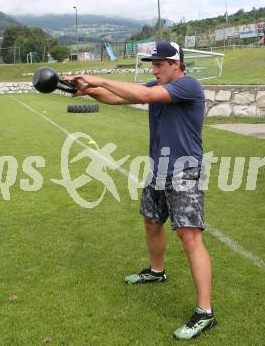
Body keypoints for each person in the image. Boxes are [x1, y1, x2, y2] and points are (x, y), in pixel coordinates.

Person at [63, 41, 217, 340]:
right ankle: (156, 271)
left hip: (185, 171)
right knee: (151, 221)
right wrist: (86, 89)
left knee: (189, 236)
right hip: (158, 168)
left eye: (160, 64)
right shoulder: (157, 85)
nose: (154, 68)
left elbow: (145, 95)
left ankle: (205, 312)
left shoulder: (189, 86)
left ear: (176, 64)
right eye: (152, 64)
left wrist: (100, 79)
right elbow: (118, 97)